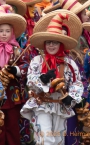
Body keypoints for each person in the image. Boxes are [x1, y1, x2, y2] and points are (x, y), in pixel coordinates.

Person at [21, 12, 84, 145]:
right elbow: (30, 80)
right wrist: (42, 79)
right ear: (44, 44)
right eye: (49, 42)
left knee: (58, 139)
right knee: (46, 139)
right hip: (42, 104)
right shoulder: (37, 60)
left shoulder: (69, 63)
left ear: (61, 43)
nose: (51, 45)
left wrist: (71, 97)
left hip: (60, 105)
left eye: (55, 42)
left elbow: (77, 83)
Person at [0, 4, 29, 145]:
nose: (4, 34)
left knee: (12, 127)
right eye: (1, 31)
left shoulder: (18, 50)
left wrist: (15, 70)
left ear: (13, 32)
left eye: (7, 31)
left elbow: (27, 66)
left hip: (13, 95)